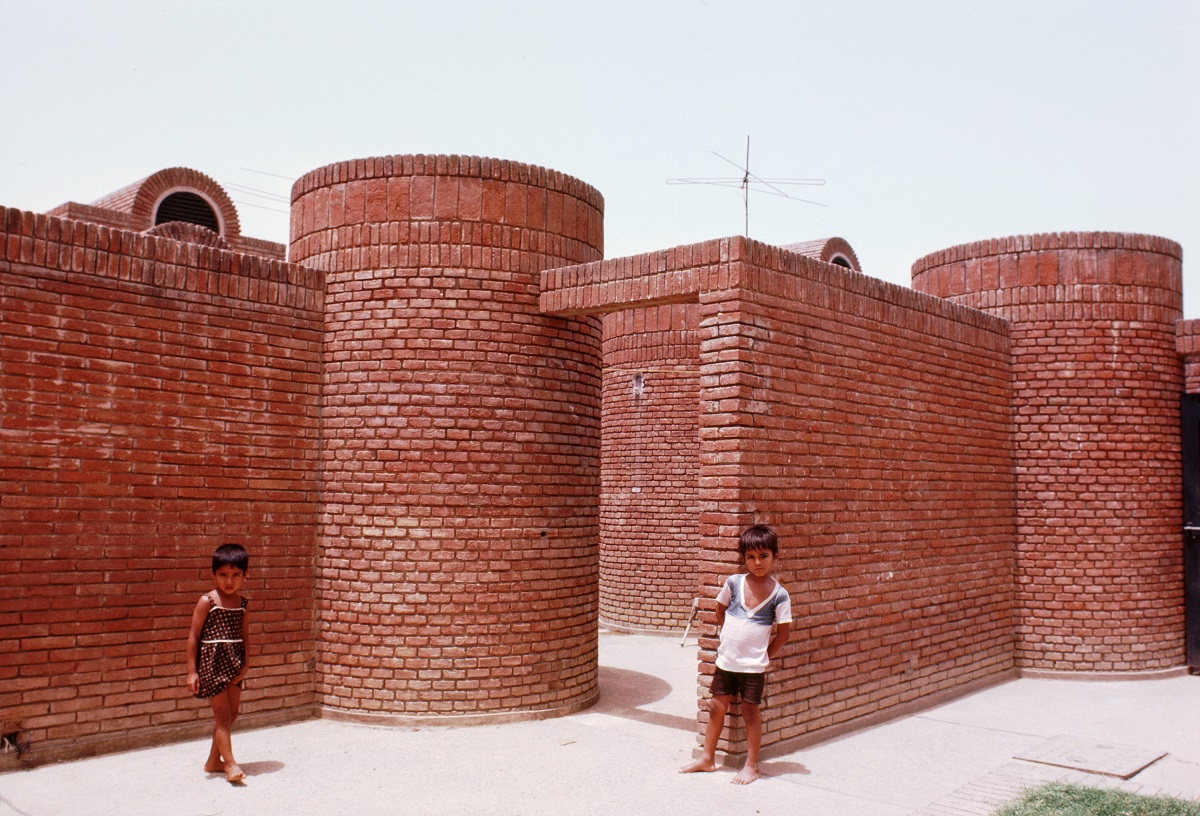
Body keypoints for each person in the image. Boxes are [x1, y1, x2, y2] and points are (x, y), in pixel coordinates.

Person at [679, 524, 791, 784]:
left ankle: (752, 766)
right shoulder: (733, 583)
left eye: (763, 556)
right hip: (726, 661)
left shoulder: (780, 595)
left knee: (750, 711)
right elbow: (720, 611)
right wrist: (730, 638)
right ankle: (707, 758)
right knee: (716, 706)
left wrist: (763, 656)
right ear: (744, 558)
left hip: (753, 667)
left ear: (775, 556)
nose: (757, 562)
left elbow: (783, 634)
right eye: (750, 557)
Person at [186, 543, 251, 783]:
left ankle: (214, 761)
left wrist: (246, 664)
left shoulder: (243, 604)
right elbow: (194, 636)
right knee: (222, 716)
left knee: (232, 713)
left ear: (245, 575)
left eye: (236, 575)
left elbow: (245, 636)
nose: (229, 581)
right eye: (223, 575)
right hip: (212, 666)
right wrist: (192, 671)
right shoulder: (207, 601)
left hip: (234, 664)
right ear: (214, 574)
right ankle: (230, 764)